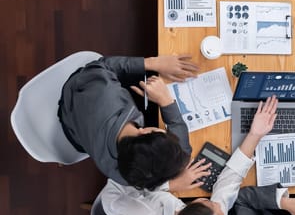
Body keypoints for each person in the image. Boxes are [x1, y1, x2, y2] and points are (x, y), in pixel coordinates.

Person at [101, 96, 279, 215]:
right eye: (219, 208)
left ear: (183, 210)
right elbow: (227, 186)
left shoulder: (145, 214)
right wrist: (255, 135)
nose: (219, 204)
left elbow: (113, 191)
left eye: (209, 203)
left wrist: (169, 185)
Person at [58, 55, 199, 192]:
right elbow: (184, 154)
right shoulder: (128, 175)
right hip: (80, 130)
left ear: (145, 131)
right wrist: (165, 102)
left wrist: (153, 63)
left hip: (75, 112)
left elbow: (101, 66)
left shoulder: (107, 95)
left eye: (164, 133)